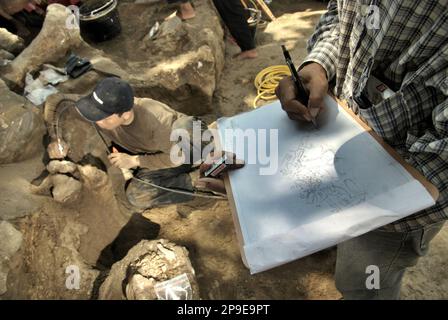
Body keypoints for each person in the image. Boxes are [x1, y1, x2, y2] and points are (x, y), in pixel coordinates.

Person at [205, 1, 448, 299]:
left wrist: (299, 201)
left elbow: (438, 169)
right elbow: (340, 16)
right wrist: (317, 66)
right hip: (342, 141)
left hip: (394, 215)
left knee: (362, 281)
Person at [75, 77, 208, 210]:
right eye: (95, 112)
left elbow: (177, 157)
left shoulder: (157, 120)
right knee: (137, 195)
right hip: (159, 152)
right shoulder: (105, 118)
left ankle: (200, 177)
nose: (97, 121)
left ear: (126, 114)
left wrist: (135, 161)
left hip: (187, 148)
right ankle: (188, 179)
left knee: (185, 128)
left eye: (104, 117)